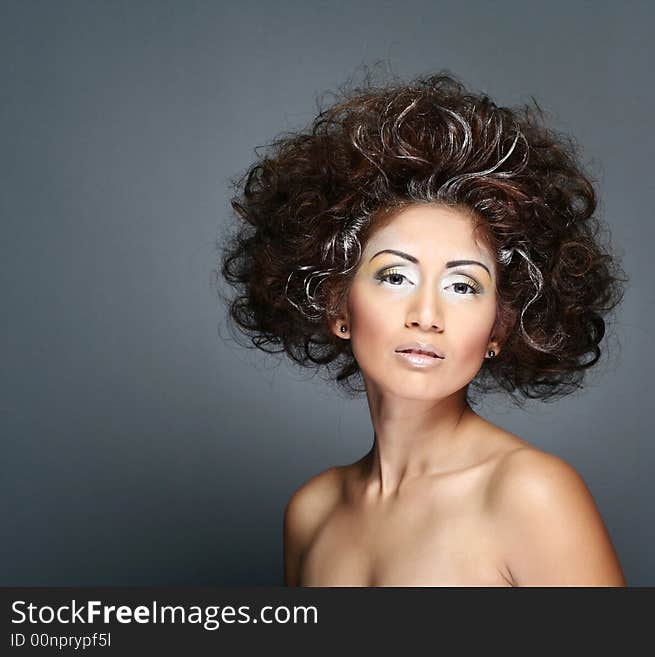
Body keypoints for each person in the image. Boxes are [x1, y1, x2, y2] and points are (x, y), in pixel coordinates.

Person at [219, 67, 629, 586]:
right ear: (337, 303)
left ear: (501, 327)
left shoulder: (530, 494)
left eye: (463, 286)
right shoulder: (313, 512)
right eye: (394, 275)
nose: (426, 315)